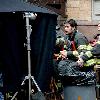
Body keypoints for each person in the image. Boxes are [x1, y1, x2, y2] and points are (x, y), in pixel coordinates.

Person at [59, 19, 96, 100]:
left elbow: (82, 53)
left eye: (67, 27)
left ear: (74, 27)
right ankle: (66, 89)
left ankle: (75, 90)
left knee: (68, 68)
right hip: (75, 60)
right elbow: (68, 49)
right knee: (60, 64)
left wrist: (68, 54)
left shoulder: (79, 37)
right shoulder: (68, 36)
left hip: (85, 63)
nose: (65, 29)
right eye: (64, 27)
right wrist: (64, 54)